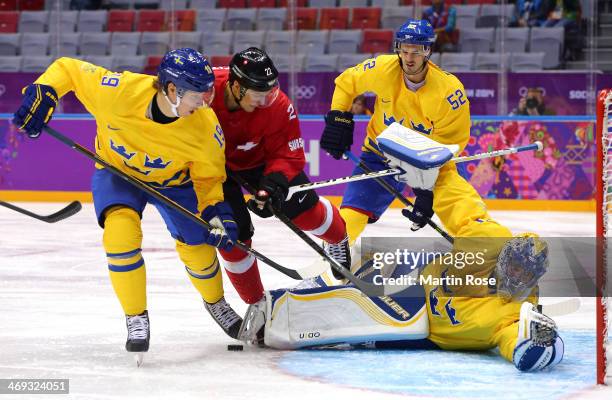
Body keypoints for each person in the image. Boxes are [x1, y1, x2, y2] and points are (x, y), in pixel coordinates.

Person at [11, 48, 243, 358]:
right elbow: (68, 69)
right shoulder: (118, 92)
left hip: (175, 185)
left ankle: (216, 302)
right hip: (117, 174)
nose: (204, 102)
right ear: (172, 89)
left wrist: (217, 214)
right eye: (197, 95)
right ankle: (136, 316)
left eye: (208, 93)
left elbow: (209, 181)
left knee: (199, 250)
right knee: (120, 235)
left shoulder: (205, 128)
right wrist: (45, 92)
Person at [239, 219, 564, 373]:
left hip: (424, 326)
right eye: (515, 265)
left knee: (356, 316)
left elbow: (520, 350)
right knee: (362, 276)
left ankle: (278, 318)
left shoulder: (516, 313)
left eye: (525, 272)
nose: (516, 275)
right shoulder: (488, 247)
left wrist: (538, 345)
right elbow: (460, 205)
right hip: (419, 277)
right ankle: (282, 304)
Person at [319, 19, 490, 247]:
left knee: (461, 206)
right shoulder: (382, 68)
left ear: (428, 51)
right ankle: (336, 257)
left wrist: (426, 188)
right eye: (404, 50)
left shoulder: (449, 92)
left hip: (428, 160)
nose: (409, 58)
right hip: (380, 155)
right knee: (350, 214)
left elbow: (451, 144)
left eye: (416, 52)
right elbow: (346, 83)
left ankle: (491, 244)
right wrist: (338, 119)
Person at [209, 47, 352, 303]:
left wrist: (272, 186)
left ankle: (338, 237)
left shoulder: (277, 105)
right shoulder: (203, 91)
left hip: (261, 160)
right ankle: (257, 304)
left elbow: (288, 152)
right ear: (235, 85)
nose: (264, 101)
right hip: (211, 169)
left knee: (305, 210)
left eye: (269, 93)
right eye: (256, 95)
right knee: (234, 238)